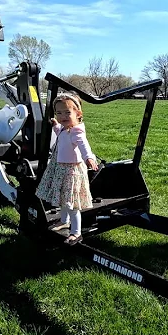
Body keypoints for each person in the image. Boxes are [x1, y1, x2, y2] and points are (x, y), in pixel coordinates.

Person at [36, 90, 99, 245]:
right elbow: (60, 132)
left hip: (71, 171)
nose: (62, 116)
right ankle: (64, 220)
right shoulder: (65, 128)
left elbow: (84, 146)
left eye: (67, 112)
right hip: (60, 169)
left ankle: (76, 232)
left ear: (78, 113)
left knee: (72, 203)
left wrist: (89, 158)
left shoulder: (76, 131)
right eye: (59, 113)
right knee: (63, 198)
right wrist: (56, 125)